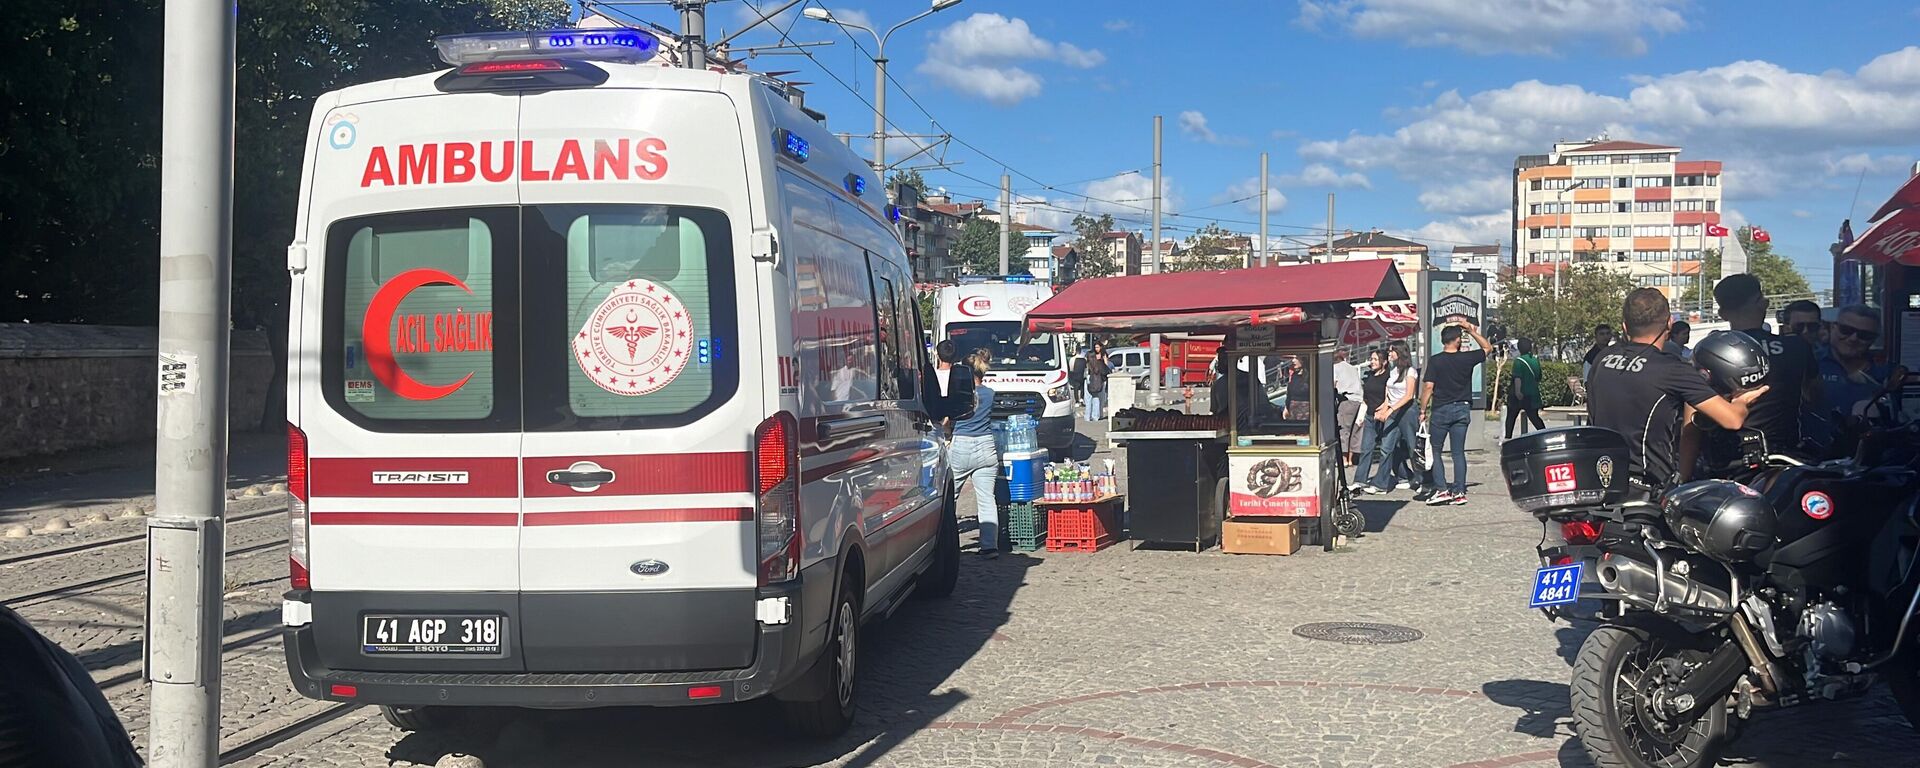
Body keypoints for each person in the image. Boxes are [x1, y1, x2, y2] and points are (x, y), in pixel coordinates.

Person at [1587, 288, 1765, 492]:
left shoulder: (1603, 358)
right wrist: (1742, 400)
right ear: (1670, 323)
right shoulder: (1673, 369)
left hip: (1601, 478)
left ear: (1625, 326)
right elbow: (1732, 419)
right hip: (1648, 487)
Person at [1699, 274, 1820, 471]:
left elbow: (1695, 411)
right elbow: (1814, 396)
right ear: (1762, 303)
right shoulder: (1797, 346)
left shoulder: (1709, 352)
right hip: (1784, 459)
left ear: (1722, 314)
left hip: (1727, 461)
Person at [1421, 319, 1491, 505]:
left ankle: (1442, 489)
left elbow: (1428, 387)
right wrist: (1471, 330)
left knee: (1436, 449)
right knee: (1458, 452)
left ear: (1444, 340)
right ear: (1458, 340)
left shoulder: (1435, 361)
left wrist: (1422, 409)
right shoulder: (1466, 358)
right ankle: (1459, 491)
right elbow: (1487, 348)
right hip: (1462, 407)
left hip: (1441, 408)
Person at [949, 349, 1002, 558]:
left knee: (949, 498)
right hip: (986, 445)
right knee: (987, 499)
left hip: (962, 444)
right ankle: (989, 546)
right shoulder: (990, 393)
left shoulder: (960, 395)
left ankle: (948, 542)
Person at [1816, 304, 1892, 426]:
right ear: (1833, 327)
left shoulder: (1887, 373)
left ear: (1874, 339)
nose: (1853, 338)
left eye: (1864, 335)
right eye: (1846, 330)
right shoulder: (1809, 364)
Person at [1364, 341, 1421, 495]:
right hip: (1393, 412)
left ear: (1400, 352)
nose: (1389, 353)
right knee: (1386, 447)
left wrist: (1391, 410)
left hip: (1407, 412)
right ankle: (1380, 484)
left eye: (1392, 351)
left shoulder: (1410, 371)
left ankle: (1422, 479)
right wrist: (1384, 407)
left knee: (1412, 447)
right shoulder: (1394, 371)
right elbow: (1389, 393)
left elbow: (1409, 396)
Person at [1349, 349, 1391, 492]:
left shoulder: (1389, 376)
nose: (1372, 362)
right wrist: (1361, 415)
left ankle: (1404, 476)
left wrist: (1384, 408)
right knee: (1366, 448)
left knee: (1389, 449)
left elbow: (1390, 396)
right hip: (1370, 416)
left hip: (1385, 416)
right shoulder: (1369, 376)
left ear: (1384, 362)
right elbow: (1365, 398)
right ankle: (1360, 480)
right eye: (1371, 359)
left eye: (1375, 359)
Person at [928, 340, 976, 432]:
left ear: (937, 355)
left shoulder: (931, 375)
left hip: (935, 420)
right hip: (957, 422)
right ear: (955, 357)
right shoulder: (962, 375)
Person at [1504, 338, 1546, 439]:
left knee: (1511, 417)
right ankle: (1544, 434)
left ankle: (1508, 438)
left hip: (1520, 394)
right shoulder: (1535, 360)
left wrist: (1518, 392)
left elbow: (1517, 378)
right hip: (1533, 394)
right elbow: (1539, 377)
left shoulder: (1518, 361)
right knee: (1534, 417)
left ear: (1519, 348)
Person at [1333, 349, 1364, 465]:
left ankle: (1344, 459)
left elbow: (1333, 384)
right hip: (1359, 400)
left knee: (1344, 430)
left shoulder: (1335, 368)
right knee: (1355, 431)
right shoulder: (1352, 368)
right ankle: (1351, 459)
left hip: (1346, 400)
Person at [1085, 342, 1111, 421]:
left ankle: (1088, 416)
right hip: (1098, 379)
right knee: (1097, 398)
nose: (1097, 349)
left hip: (1091, 378)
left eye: (1098, 347)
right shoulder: (1101, 358)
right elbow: (1106, 368)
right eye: (1096, 347)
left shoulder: (1091, 357)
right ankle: (1096, 416)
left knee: (1089, 398)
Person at [1068, 347, 1088, 411]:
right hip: (1082, 375)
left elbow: (1071, 368)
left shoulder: (1073, 359)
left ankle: (1077, 401)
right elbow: (1086, 368)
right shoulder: (1084, 359)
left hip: (1075, 375)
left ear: (1076, 351)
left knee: (1076, 388)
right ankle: (1082, 399)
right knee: (1082, 387)